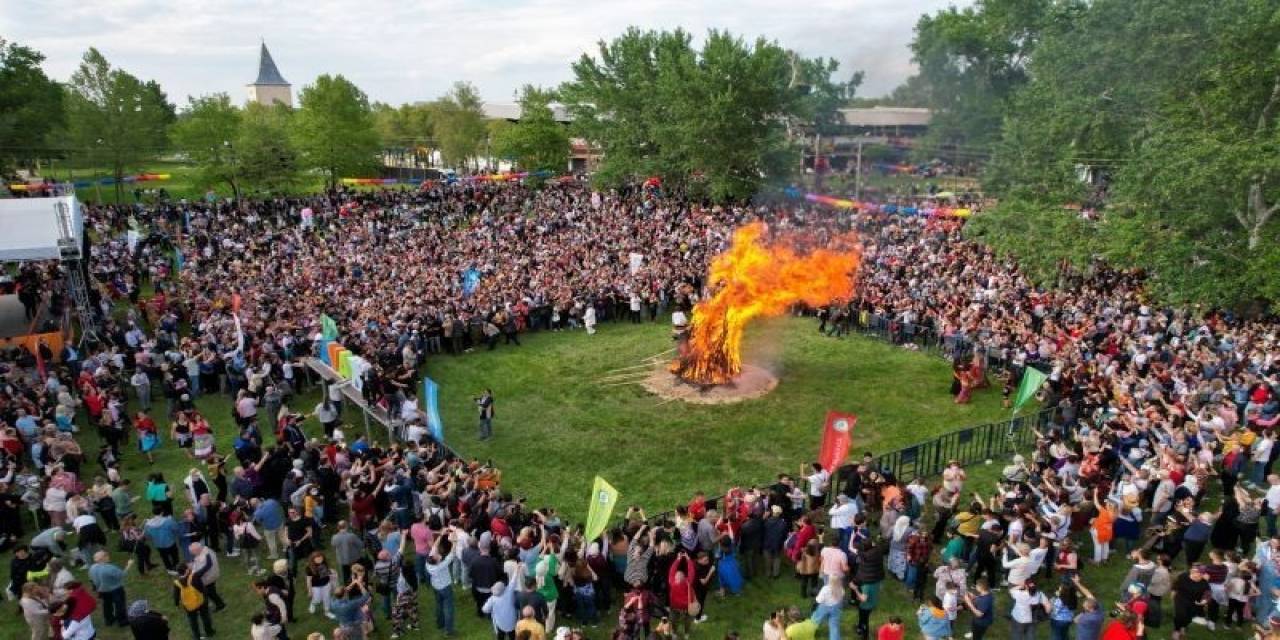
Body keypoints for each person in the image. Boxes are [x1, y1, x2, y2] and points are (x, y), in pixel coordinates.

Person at [87, 550, 133, 628]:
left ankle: (109, 620)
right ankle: (122, 621)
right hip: (116, 590)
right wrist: (129, 565)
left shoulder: (92, 567)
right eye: (106, 555)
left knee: (107, 605)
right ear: (103, 558)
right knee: (119, 605)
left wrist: (96, 587)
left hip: (102, 590)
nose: (108, 556)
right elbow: (122, 575)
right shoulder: (110, 568)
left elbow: (91, 579)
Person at [172, 563, 215, 640]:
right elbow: (202, 588)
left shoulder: (177, 583)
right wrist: (205, 597)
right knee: (205, 616)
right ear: (187, 570)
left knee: (193, 620)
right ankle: (209, 632)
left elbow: (176, 595)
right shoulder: (194, 577)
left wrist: (177, 604)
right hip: (201, 601)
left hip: (189, 605)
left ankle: (196, 636)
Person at [190, 542, 227, 612]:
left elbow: (206, 566)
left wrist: (196, 574)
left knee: (211, 592)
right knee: (211, 592)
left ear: (197, 550)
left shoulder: (204, 556)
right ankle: (219, 604)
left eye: (193, 552)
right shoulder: (206, 551)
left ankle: (221, 605)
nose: (193, 554)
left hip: (209, 578)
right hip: (211, 575)